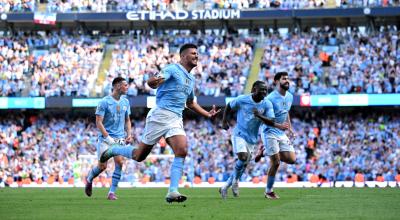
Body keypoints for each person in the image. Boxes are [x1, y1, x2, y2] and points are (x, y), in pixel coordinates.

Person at [97, 43, 220, 203]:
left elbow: (190, 103)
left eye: (197, 53)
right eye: (192, 53)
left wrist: (207, 113)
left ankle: (172, 191)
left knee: (182, 150)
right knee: (139, 156)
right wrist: (153, 81)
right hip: (160, 115)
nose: (196, 56)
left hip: (176, 118)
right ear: (183, 57)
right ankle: (113, 150)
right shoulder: (172, 69)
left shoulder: (191, 78)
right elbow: (152, 82)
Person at [219, 80, 289, 199]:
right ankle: (235, 180)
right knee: (243, 157)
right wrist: (224, 121)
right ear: (254, 90)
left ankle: (226, 186)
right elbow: (228, 106)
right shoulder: (243, 99)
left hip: (252, 138)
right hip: (239, 134)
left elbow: (271, 121)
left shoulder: (267, 104)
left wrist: (259, 115)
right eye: (261, 90)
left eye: (265, 90)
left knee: (244, 164)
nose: (264, 92)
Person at [85, 76, 132, 200]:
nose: (127, 87)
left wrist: (129, 134)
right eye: (125, 85)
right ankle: (89, 178)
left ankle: (111, 193)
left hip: (119, 138)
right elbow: (98, 122)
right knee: (102, 166)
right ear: (117, 86)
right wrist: (107, 137)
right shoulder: (104, 102)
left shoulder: (126, 102)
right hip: (105, 139)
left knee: (120, 162)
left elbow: (127, 120)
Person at [255, 71, 296, 199]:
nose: (287, 81)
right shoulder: (270, 99)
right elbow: (263, 118)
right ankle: (269, 191)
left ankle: (265, 150)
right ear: (276, 82)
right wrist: (279, 126)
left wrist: (290, 127)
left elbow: (286, 112)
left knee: (292, 159)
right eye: (284, 79)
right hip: (269, 131)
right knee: (276, 162)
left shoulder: (289, 96)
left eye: (288, 79)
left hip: (281, 132)